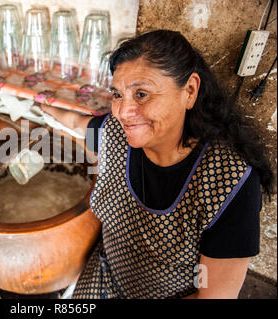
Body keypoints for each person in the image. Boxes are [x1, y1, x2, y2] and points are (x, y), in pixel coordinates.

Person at [41, 30, 274, 299]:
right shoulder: (116, 134)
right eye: (117, 95)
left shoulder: (230, 184)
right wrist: (42, 104)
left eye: (141, 94)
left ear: (189, 91)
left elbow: (214, 298)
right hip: (105, 276)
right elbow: (74, 124)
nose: (123, 112)